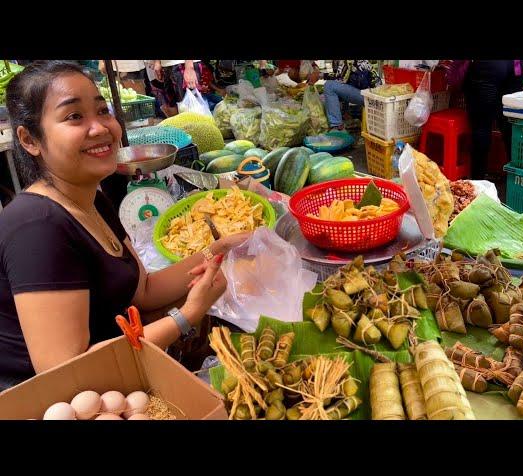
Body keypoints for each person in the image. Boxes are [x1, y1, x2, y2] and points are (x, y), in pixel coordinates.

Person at [0, 61, 251, 391]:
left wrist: (217, 249)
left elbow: (143, 291)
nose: (101, 127)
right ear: (30, 139)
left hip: (118, 368)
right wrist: (187, 315)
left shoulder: (93, 199)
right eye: (74, 116)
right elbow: (66, 371)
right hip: (68, 399)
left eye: (102, 110)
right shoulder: (37, 228)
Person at [444, 60, 523, 179]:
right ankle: (518, 180)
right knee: (509, 124)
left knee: (481, 126)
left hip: (488, 66)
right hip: (514, 67)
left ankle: (479, 182)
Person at [313, 60, 381, 130]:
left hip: (370, 96)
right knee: (337, 87)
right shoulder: (338, 62)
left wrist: (320, 75)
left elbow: (340, 78)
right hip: (367, 94)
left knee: (329, 86)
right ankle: (346, 116)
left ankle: (337, 126)